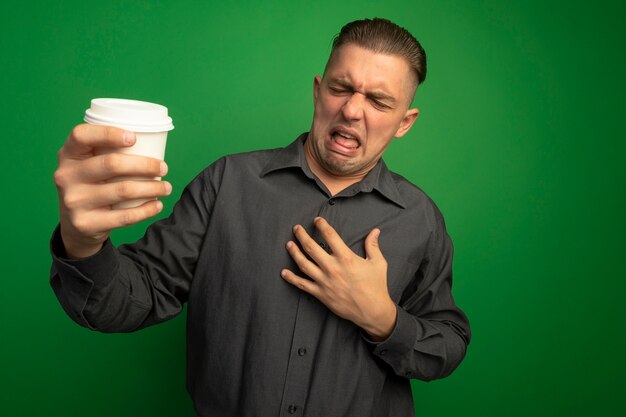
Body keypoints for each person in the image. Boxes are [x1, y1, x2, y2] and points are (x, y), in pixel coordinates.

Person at [51, 18, 470, 417]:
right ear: (318, 91)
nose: (352, 111)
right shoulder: (228, 183)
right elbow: (125, 301)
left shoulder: (421, 220)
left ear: (404, 122)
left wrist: (383, 319)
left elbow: (447, 346)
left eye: (379, 101)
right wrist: (83, 243)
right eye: (342, 88)